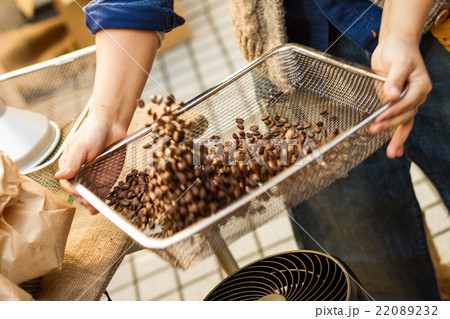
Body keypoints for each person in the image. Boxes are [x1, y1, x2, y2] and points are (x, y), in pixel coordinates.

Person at [54, 0, 449, 300]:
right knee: (367, 271)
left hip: (429, 31)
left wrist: (400, 30)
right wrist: (107, 115)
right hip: (290, 59)